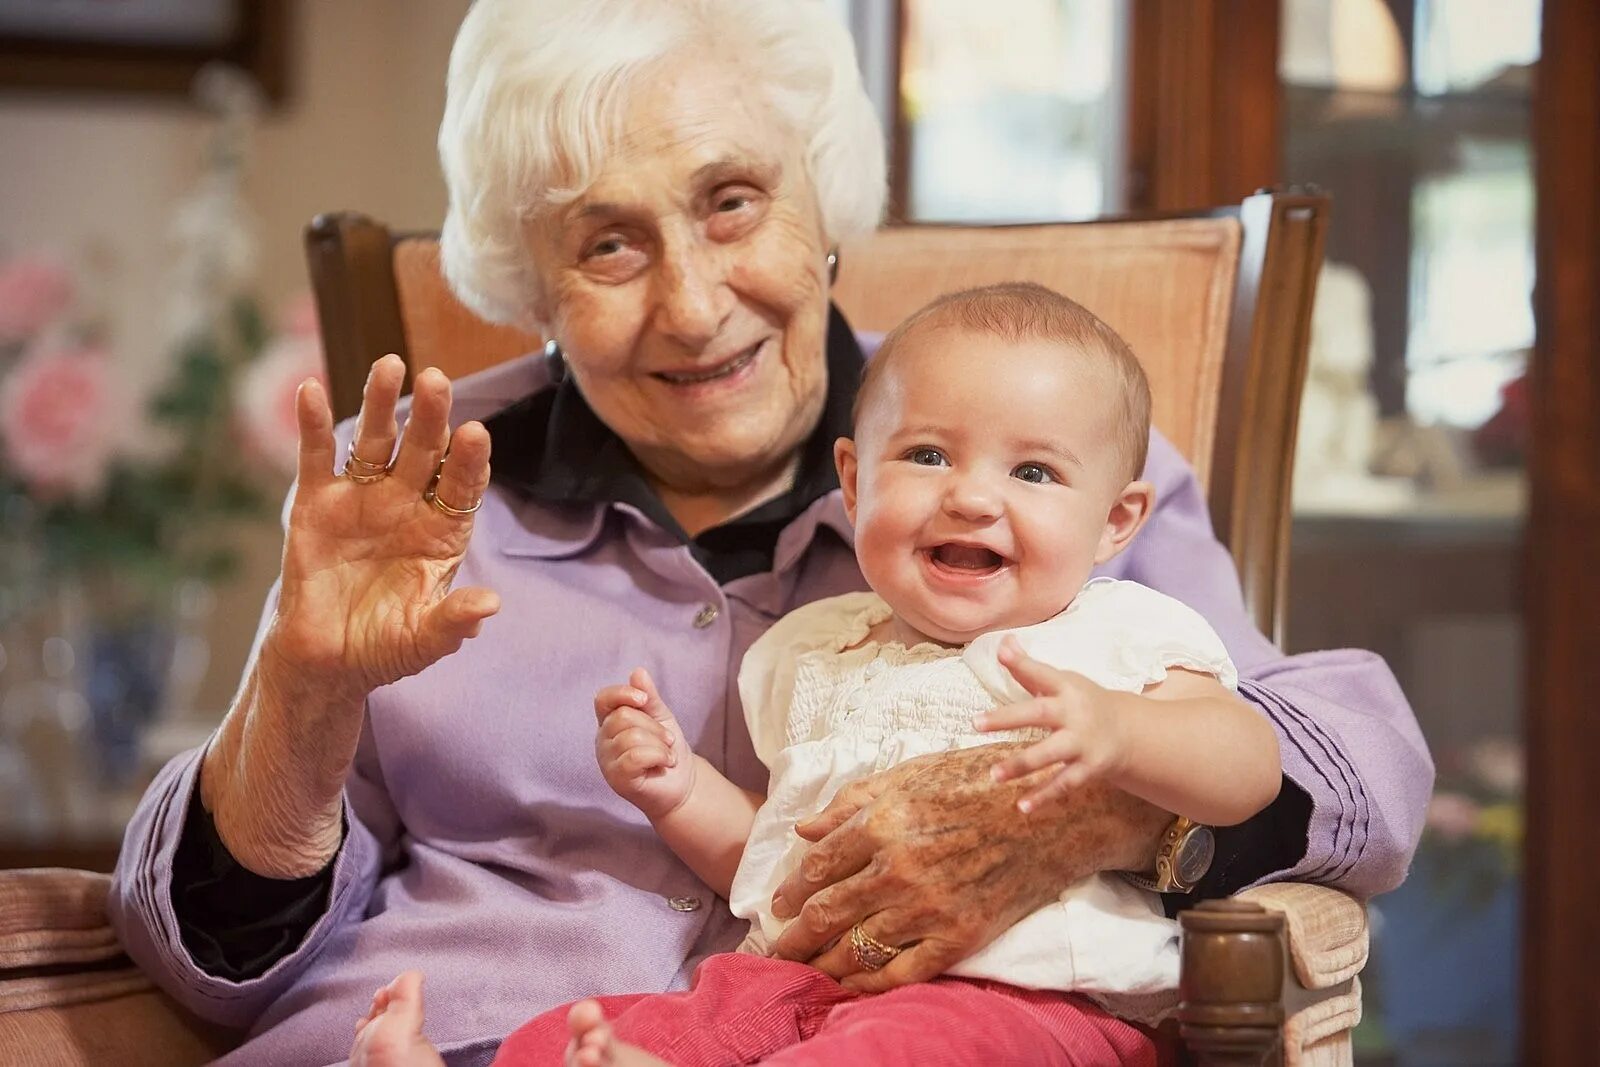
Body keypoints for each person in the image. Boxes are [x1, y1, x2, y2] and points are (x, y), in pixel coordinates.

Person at [106, 2, 1432, 1065]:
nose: (692, 305)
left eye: (731, 200)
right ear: (531, 281)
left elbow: (1360, 771)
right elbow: (210, 971)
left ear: (825, 197)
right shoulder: (416, 499)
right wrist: (306, 683)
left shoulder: (1049, 475)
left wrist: (1089, 808)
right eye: (607, 244)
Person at [349, 283, 1285, 1067]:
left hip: (1029, 1008)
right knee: (580, 1033)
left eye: (1034, 471)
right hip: (803, 983)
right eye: (926, 455)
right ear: (853, 479)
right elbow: (784, 864)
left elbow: (1249, 764)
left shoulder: (1115, 633)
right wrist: (677, 790)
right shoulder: (815, 651)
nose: (969, 493)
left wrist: (1122, 733)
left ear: (1118, 521)